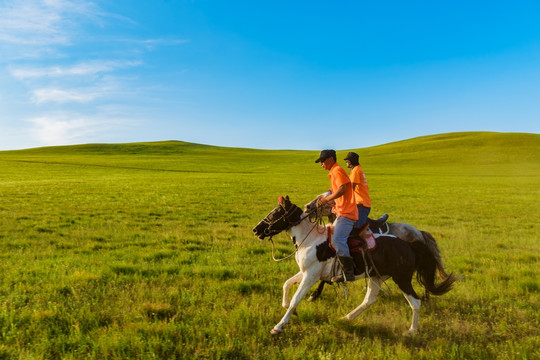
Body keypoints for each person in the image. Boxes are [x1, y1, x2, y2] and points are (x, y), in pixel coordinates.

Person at [315, 149, 358, 283]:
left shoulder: (337, 170)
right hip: (341, 212)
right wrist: (333, 204)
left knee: (338, 240)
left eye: (322, 161)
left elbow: (342, 189)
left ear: (330, 159)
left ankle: (348, 273)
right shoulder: (334, 172)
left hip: (347, 213)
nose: (321, 164)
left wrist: (327, 200)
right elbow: (342, 194)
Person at [344, 152, 371, 228]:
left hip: (361, 204)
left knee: (358, 229)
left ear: (350, 162)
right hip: (362, 203)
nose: (346, 164)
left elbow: (351, 188)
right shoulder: (358, 169)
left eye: (347, 162)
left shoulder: (355, 171)